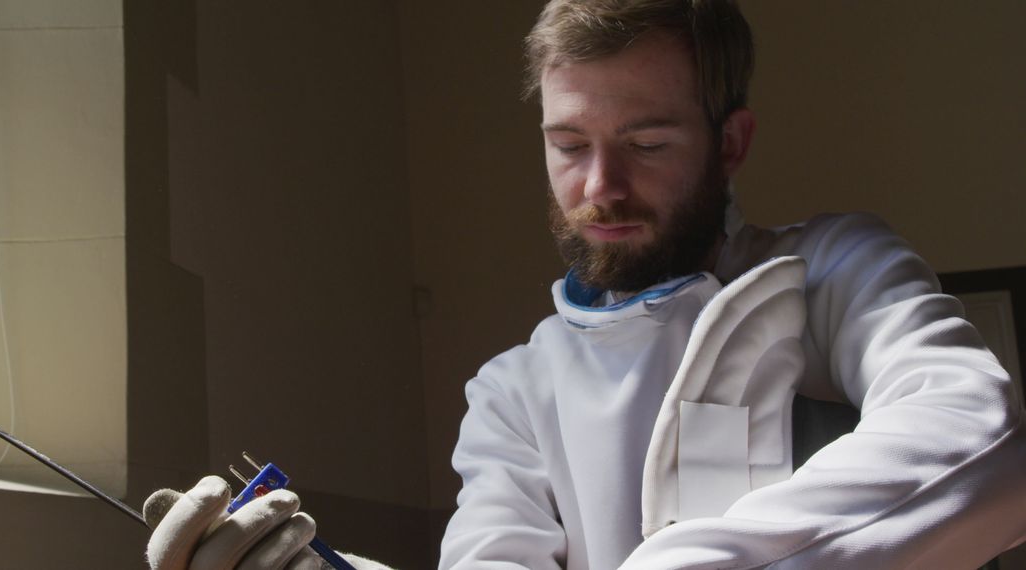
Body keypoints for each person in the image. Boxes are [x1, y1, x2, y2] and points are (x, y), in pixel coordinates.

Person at [144, 1, 1026, 568]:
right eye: (569, 146)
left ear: (731, 143)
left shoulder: (835, 270)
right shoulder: (514, 391)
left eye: (645, 144)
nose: (599, 186)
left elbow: (977, 434)